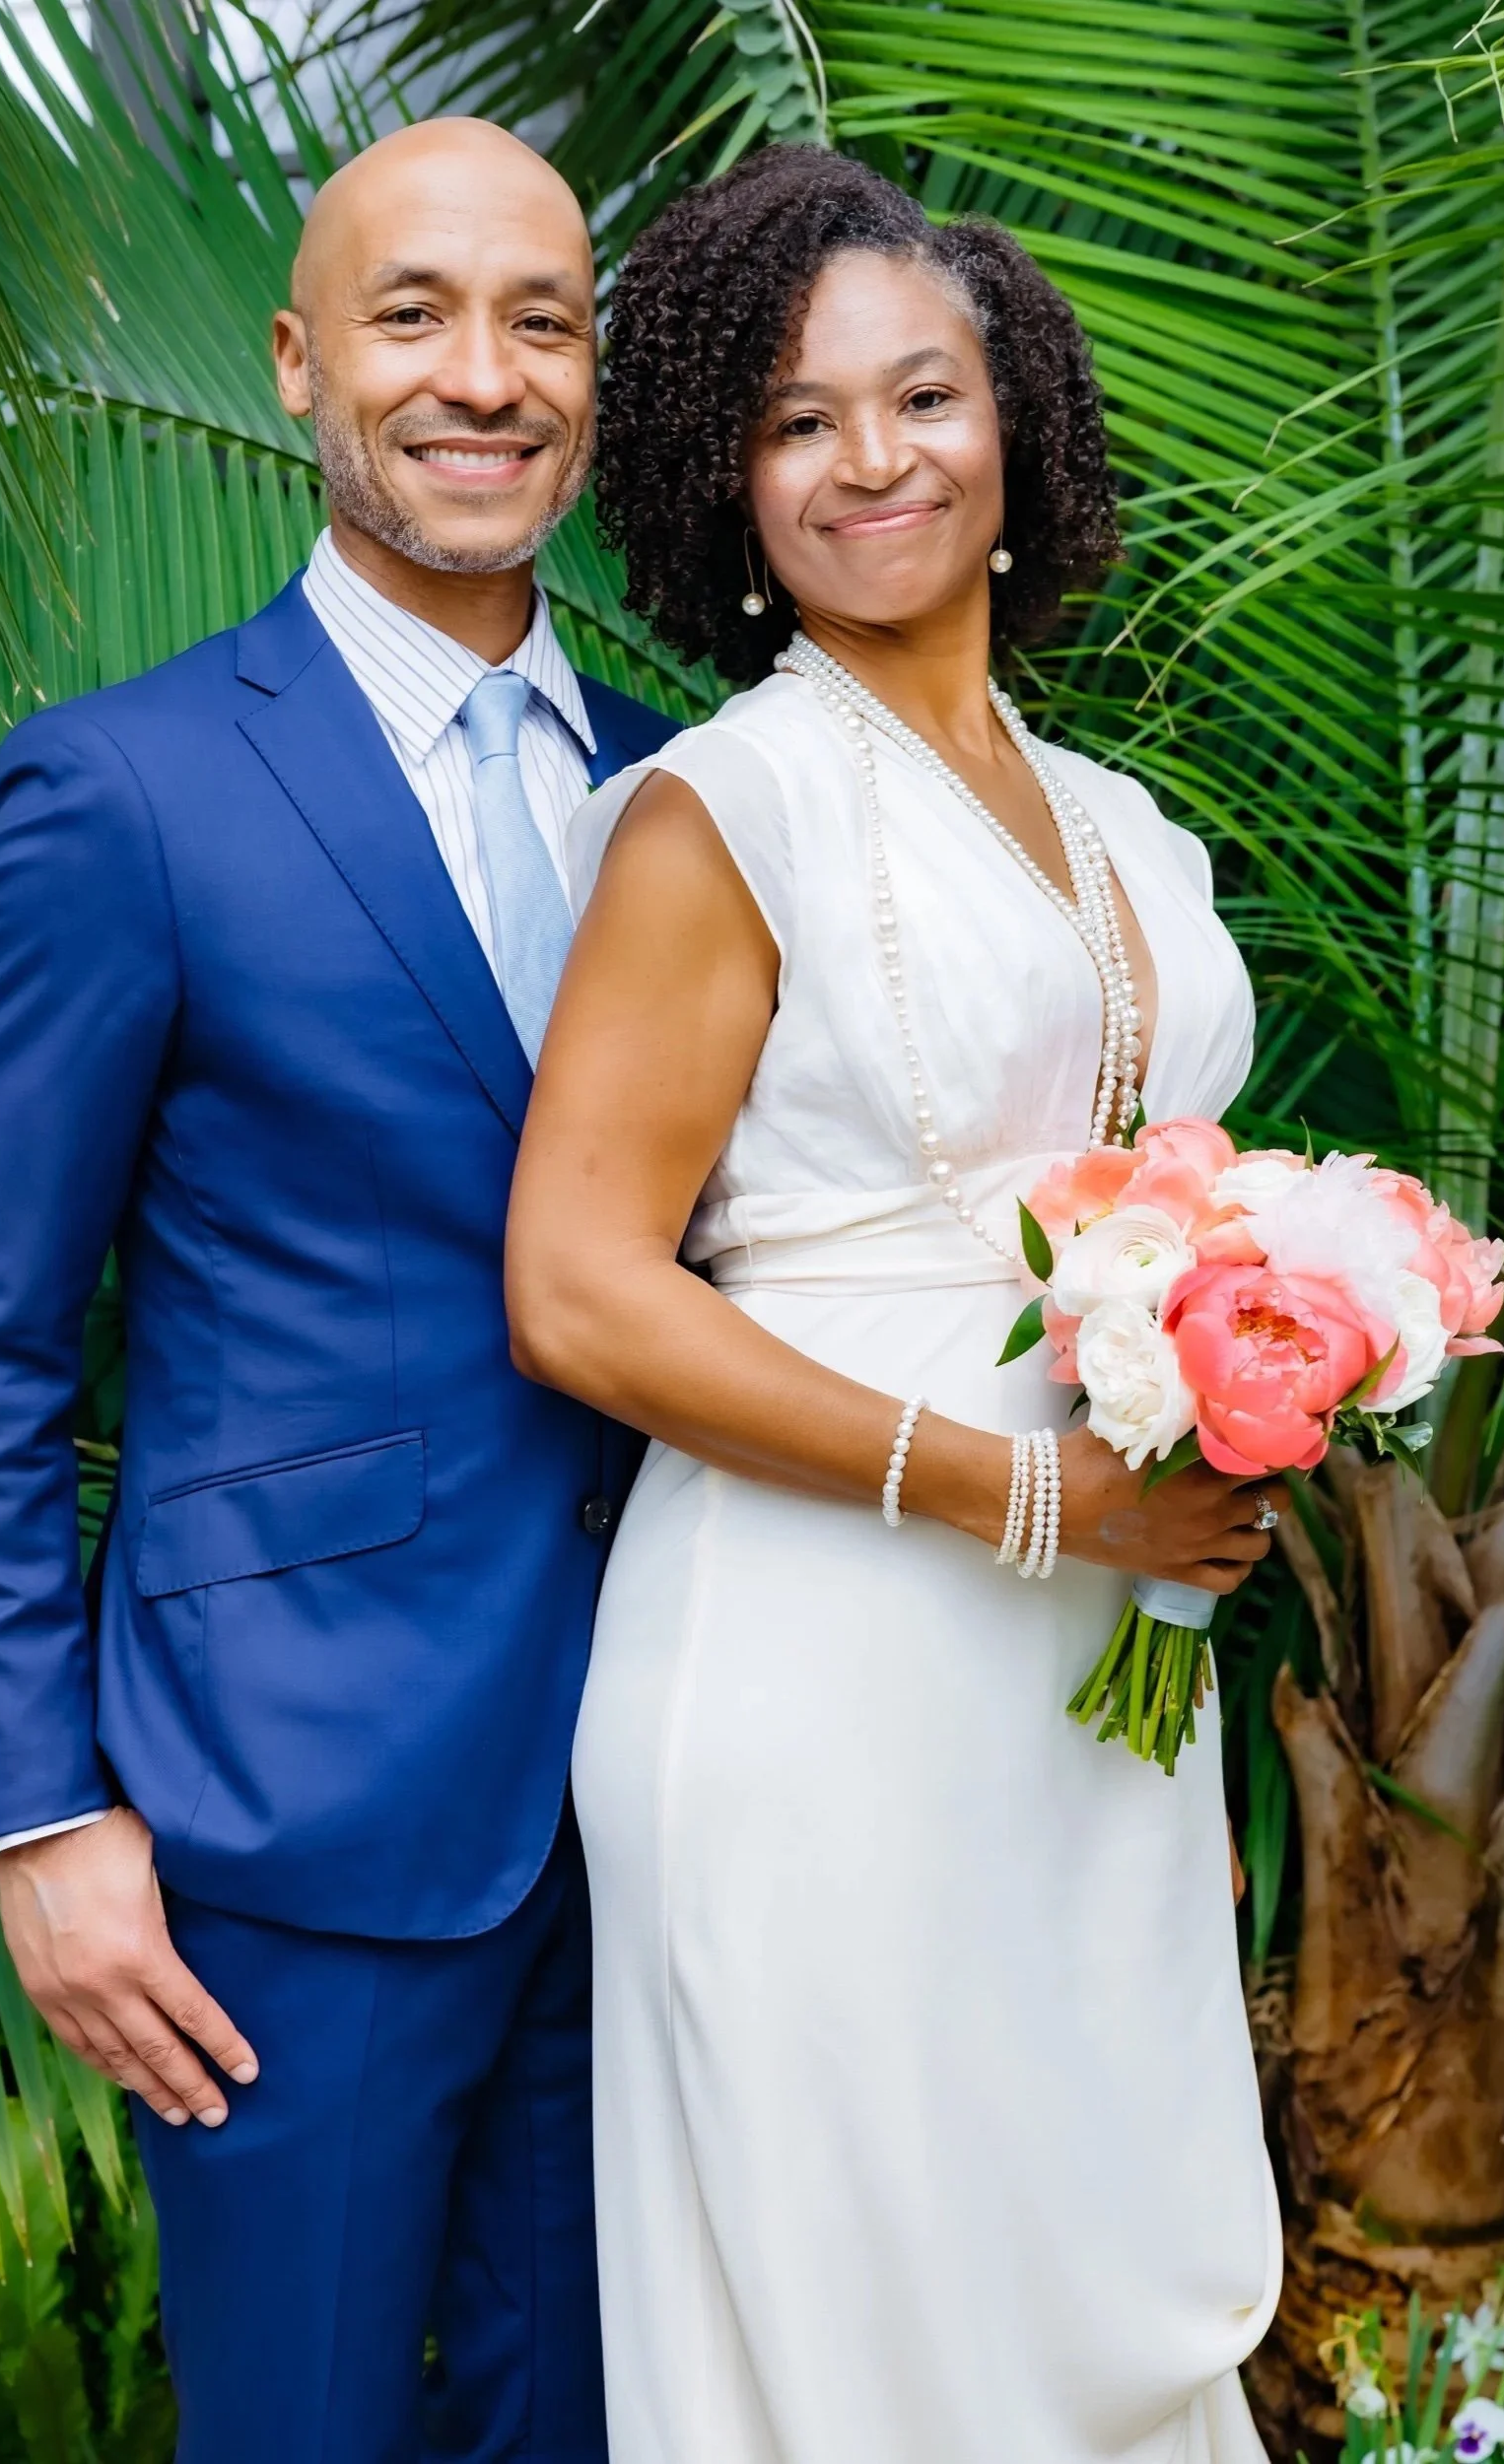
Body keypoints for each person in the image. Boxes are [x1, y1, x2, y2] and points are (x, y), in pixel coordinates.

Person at [0, 118, 674, 2464]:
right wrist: (39, 1816)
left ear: (596, 380)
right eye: (416, 314)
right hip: (281, 1828)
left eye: (543, 319)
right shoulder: (120, 795)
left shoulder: (687, 792)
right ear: (301, 358)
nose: (484, 375)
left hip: (661, 1793)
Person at [507, 146, 1282, 2464]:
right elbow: (574, 1285)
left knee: (1077, 2247)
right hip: (816, 1670)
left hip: (1087, 1695)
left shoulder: (1130, 827)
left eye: (921, 395)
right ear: (725, 485)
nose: (871, 459)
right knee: (883, 2307)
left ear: (1014, 423)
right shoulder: (711, 815)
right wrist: (1027, 1499)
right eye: (794, 417)